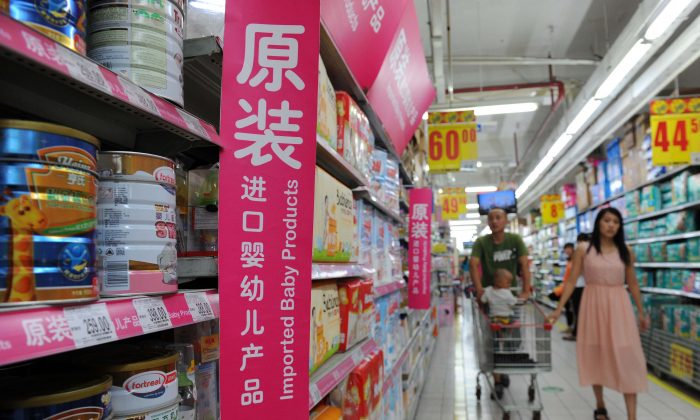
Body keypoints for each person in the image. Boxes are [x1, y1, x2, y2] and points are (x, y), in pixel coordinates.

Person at [548, 208, 649, 420]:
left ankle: (632, 416)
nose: (611, 225)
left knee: (628, 356)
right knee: (595, 354)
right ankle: (600, 405)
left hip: (619, 306)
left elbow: (632, 283)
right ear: (598, 223)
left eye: (616, 222)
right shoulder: (584, 249)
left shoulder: (626, 251)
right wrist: (558, 310)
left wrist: (641, 311)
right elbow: (572, 281)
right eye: (607, 220)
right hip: (592, 305)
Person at [470, 207, 531, 392]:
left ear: (505, 221)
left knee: (513, 338)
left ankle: (504, 367)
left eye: (498, 218)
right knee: (492, 340)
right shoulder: (481, 242)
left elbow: (524, 264)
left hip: (509, 297)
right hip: (490, 299)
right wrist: (480, 289)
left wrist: (526, 290)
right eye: (491, 218)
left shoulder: (515, 240)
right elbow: (473, 264)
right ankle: (497, 378)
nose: (494, 221)